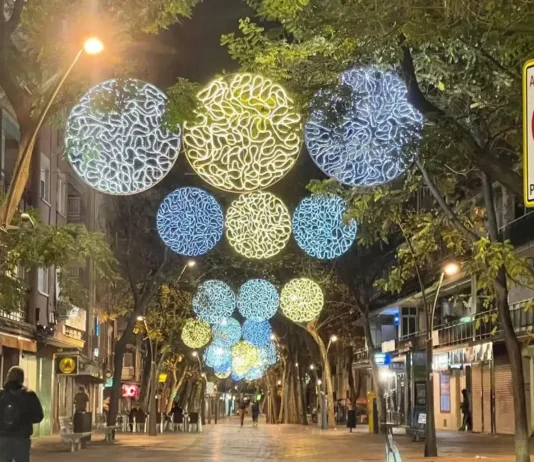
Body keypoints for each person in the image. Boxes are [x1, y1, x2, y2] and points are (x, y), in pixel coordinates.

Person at [0, 366, 44, 462]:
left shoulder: (1, 394)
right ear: (22, 378)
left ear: (8, 377)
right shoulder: (29, 395)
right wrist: (24, 419)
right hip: (22, 437)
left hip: (3, 437)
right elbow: (39, 416)